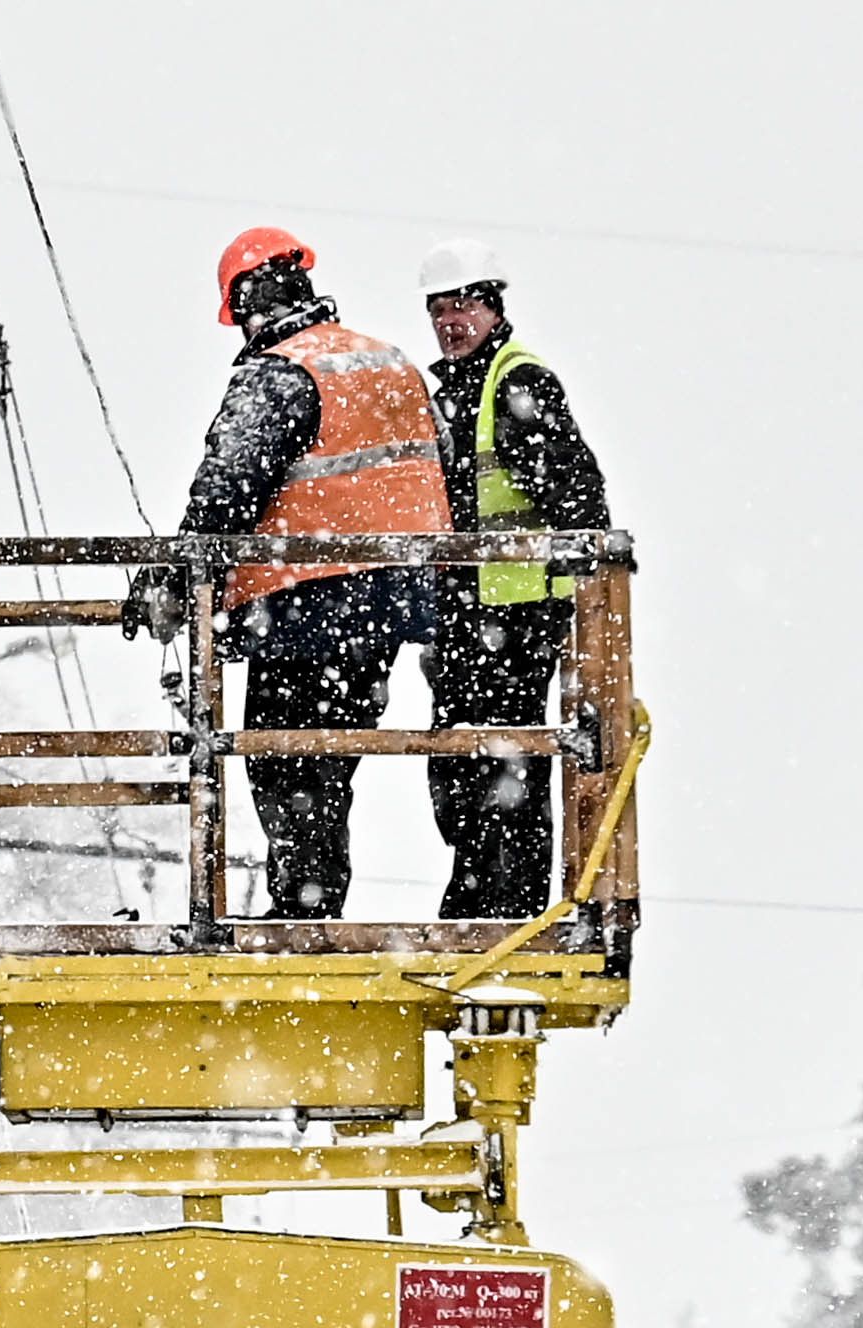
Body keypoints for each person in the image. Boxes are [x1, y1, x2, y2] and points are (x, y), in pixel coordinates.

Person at [165, 229, 451, 918]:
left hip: (305, 600)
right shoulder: (387, 360)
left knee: (281, 757)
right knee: (328, 757)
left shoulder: (279, 371)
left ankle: (303, 907)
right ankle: (311, 900)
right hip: (393, 599)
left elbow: (225, 490)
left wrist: (173, 578)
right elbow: (448, 472)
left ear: (245, 303)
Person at [406, 241, 612, 922]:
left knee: (509, 766)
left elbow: (579, 495)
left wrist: (582, 585)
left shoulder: (517, 381)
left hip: (516, 612)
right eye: (438, 308)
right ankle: (475, 893)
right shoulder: (453, 393)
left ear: (493, 307)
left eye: (462, 303)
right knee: (455, 763)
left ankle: (510, 908)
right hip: (465, 614)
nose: (449, 319)